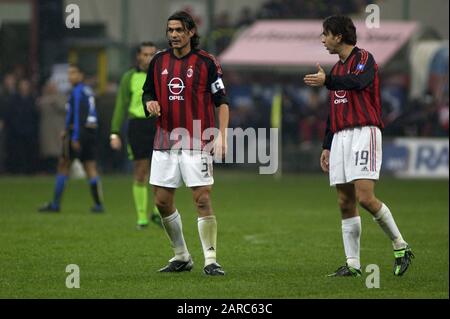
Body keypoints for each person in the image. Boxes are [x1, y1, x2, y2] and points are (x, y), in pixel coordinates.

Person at [304, 15, 414, 277]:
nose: (322, 39)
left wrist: (328, 81)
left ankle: (401, 245)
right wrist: (327, 145)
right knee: (344, 201)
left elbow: (359, 83)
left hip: (365, 132)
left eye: (325, 34)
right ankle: (352, 264)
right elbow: (333, 112)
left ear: (339, 36)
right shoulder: (336, 69)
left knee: (364, 197)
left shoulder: (364, 58)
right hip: (340, 137)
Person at [142, 11, 229, 276]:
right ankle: (181, 255)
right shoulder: (158, 61)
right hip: (165, 140)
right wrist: (149, 103)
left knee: (202, 198)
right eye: (170, 30)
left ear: (191, 32)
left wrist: (222, 135)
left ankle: (211, 260)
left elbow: (222, 101)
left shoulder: (207, 62)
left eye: (179, 30)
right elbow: (148, 92)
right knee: (161, 201)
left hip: (197, 139)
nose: (174, 35)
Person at [110, 41, 162, 229]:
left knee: (162, 170)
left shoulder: (162, 75)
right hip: (137, 125)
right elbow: (121, 105)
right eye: (145, 54)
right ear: (138, 57)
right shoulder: (129, 77)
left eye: (152, 54)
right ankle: (142, 217)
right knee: (140, 170)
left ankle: (158, 212)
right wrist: (114, 132)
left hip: (159, 124)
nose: (149, 58)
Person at [39, 64, 104, 213]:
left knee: (63, 165)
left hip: (78, 133)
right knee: (90, 168)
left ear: (81, 75)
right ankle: (99, 205)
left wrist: (73, 136)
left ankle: (55, 204)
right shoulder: (88, 91)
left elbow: (76, 115)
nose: (70, 77)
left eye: (74, 73)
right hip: (90, 132)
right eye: (69, 73)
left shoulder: (77, 91)